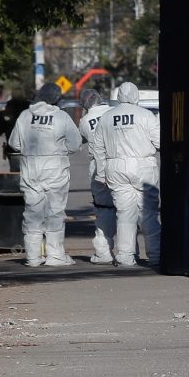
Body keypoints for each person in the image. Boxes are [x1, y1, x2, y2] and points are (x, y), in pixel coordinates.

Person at [8, 83, 82, 267]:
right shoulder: (62, 116)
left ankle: (33, 257)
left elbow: (14, 143)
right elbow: (75, 145)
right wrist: (58, 149)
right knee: (55, 213)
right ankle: (55, 256)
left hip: (31, 167)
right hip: (55, 168)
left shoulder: (25, 115)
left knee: (32, 213)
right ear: (57, 99)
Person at [90, 83, 161, 268]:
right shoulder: (146, 115)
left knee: (124, 214)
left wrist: (101, 172)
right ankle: (156, 254)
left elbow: (98, 148)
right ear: (136, 96)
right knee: (148, 213)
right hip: (143, 166)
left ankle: (126, 256)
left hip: (116, 167)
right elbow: (160, 141)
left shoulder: (106, 117)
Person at [77, 89, 118, 264]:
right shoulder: (114, 113)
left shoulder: (85, 121)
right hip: (119, 160)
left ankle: (103, 253)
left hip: (98, 166)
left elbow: (81, 140)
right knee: (128, 209)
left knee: (103, 209)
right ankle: (131, 252)